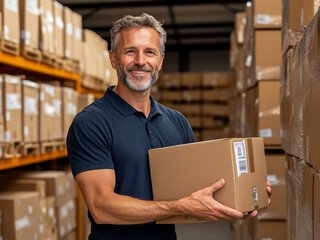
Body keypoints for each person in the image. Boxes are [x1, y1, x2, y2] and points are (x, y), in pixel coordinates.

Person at [67, 13, 271, 240]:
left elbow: (200, 189)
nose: (141, 61)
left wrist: (245, 192)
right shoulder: (91, 123)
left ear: (160, 61)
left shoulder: (176, 122)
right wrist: (180, 207)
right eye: (130, 51)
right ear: (114, 59)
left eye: (150, 52)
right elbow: (101, 206)